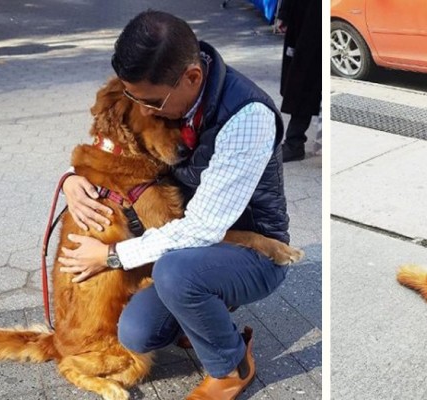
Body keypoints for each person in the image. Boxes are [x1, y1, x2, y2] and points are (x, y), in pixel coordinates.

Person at [58, 10, 291, 400]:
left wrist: (112, 255)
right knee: (136, 332)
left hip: (254, 251)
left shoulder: (246, 116)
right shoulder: (165, 95)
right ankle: (202, 316)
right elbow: (116, 140)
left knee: (176, 271)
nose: (144, 110)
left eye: (150, 101)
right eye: (134, 97)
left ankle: (232, 366)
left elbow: (202, 230)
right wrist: (72, 176)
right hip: (191, 243)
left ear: (193, 78)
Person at [276, 0, 321, 162]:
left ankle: (294, 141)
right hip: (305, 17)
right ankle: (294, 141)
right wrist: (285, 14)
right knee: (303, 77)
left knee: (305, 78)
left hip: (315, 18)